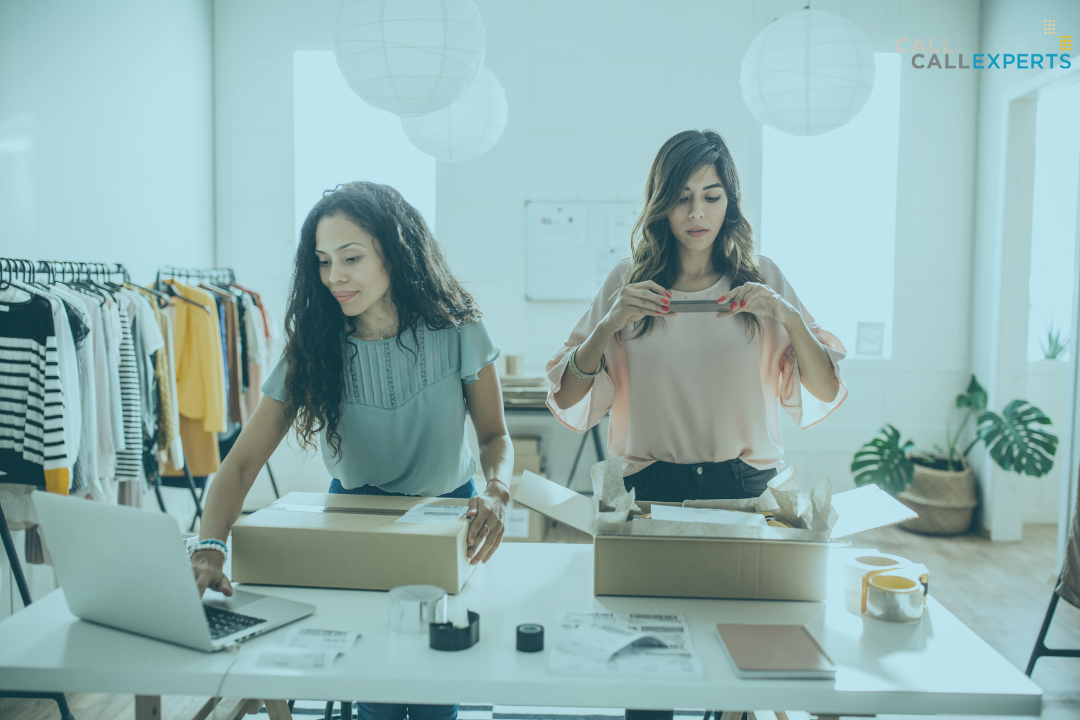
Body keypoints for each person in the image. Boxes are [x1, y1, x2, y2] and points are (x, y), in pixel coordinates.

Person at [546, 130, 848, 720]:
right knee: (648, 673)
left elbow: (826, 386)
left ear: (730, 202)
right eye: (682, 197)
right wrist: (609, 324)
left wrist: (784, 312)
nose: (697, 213)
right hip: (649, 496)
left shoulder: (763, 280)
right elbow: (568, 394)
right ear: (660, 203)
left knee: (743, 674)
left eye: (711, 196)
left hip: (745, 494)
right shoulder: (625, 284)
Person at [190, 181, 512, 720]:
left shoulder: (458, 327)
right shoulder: (315, 344)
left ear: (396, 252)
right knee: (374, 692)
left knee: (436, 690)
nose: (334, 276)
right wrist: (208, 546)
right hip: (352, 522)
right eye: (322, 261)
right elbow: (241, 462)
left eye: (352, 257)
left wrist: (498, 490)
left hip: (449, 516)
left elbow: (493, 436)